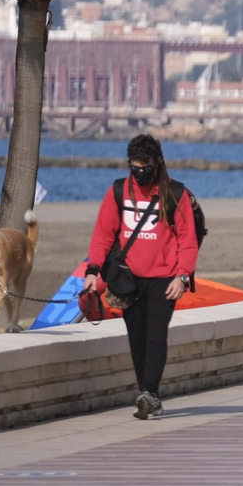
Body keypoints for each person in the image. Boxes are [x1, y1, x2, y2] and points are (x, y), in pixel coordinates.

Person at [84, 135, 199, 420]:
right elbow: (103, 234)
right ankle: (147, 394)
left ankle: (151, 393)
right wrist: (92, 271)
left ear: (156, 164)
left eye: (145, 167)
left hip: (165, 279)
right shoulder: (118, 191)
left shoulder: (175, 194)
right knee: (137, 338)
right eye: (135, 167)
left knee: (155, 335)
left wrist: (182, 276)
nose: (140, 173)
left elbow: (188, 240)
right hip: (128, 279)